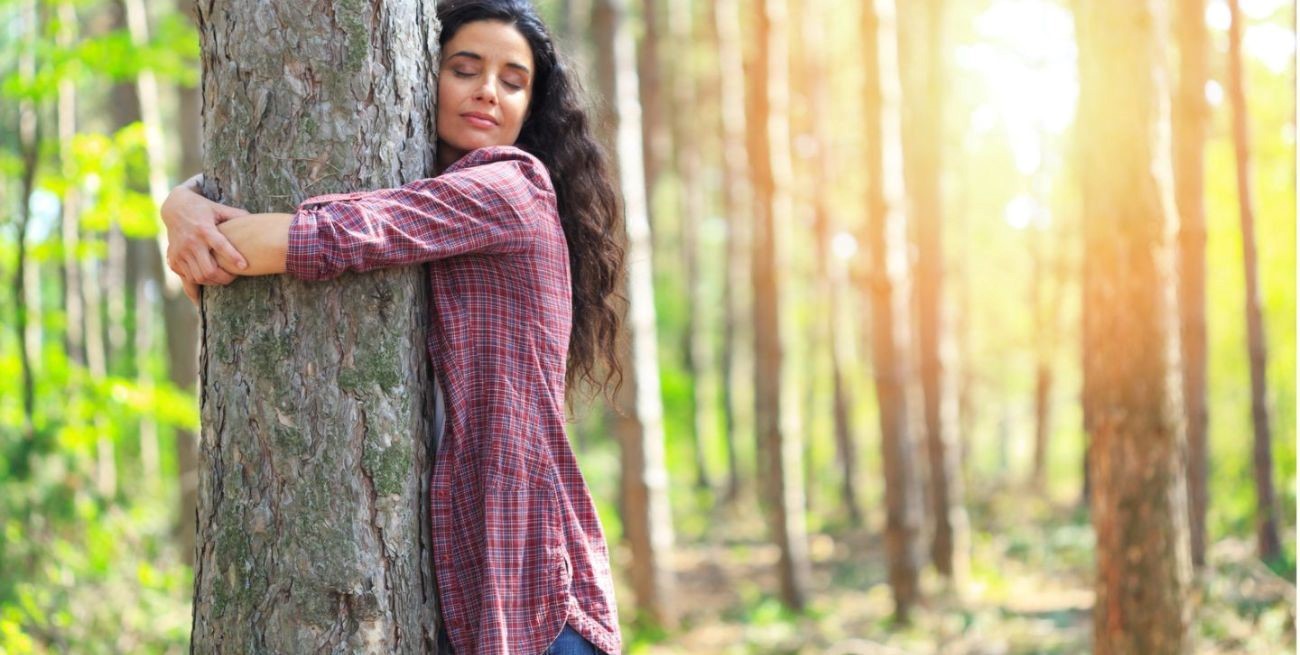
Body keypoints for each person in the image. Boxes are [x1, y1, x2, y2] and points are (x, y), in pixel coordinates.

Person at [160, 1, 625, 653]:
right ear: (422, 75)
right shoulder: (436, 196)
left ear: (530, 108)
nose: (488, 91)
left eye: (513, 81)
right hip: (478, 601)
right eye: (465, 69)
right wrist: (180, 205)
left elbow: (326, 237)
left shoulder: (512, 187)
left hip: (536, 604)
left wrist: (186, 211)